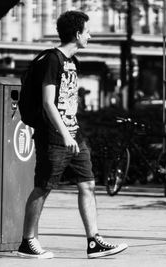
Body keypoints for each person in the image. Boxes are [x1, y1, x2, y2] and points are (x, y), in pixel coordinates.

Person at [17, 10, 128, 259]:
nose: (90, 35)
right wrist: (65, 134)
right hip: (54, 136)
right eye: (88, 31)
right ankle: (28, 241)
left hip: (74, 133)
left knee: (87, 184)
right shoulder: (52, 60)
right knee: (43, 187)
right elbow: (48, 102)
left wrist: (73, 132)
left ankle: (94, 241)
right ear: (77, 34)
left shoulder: (73, 62)